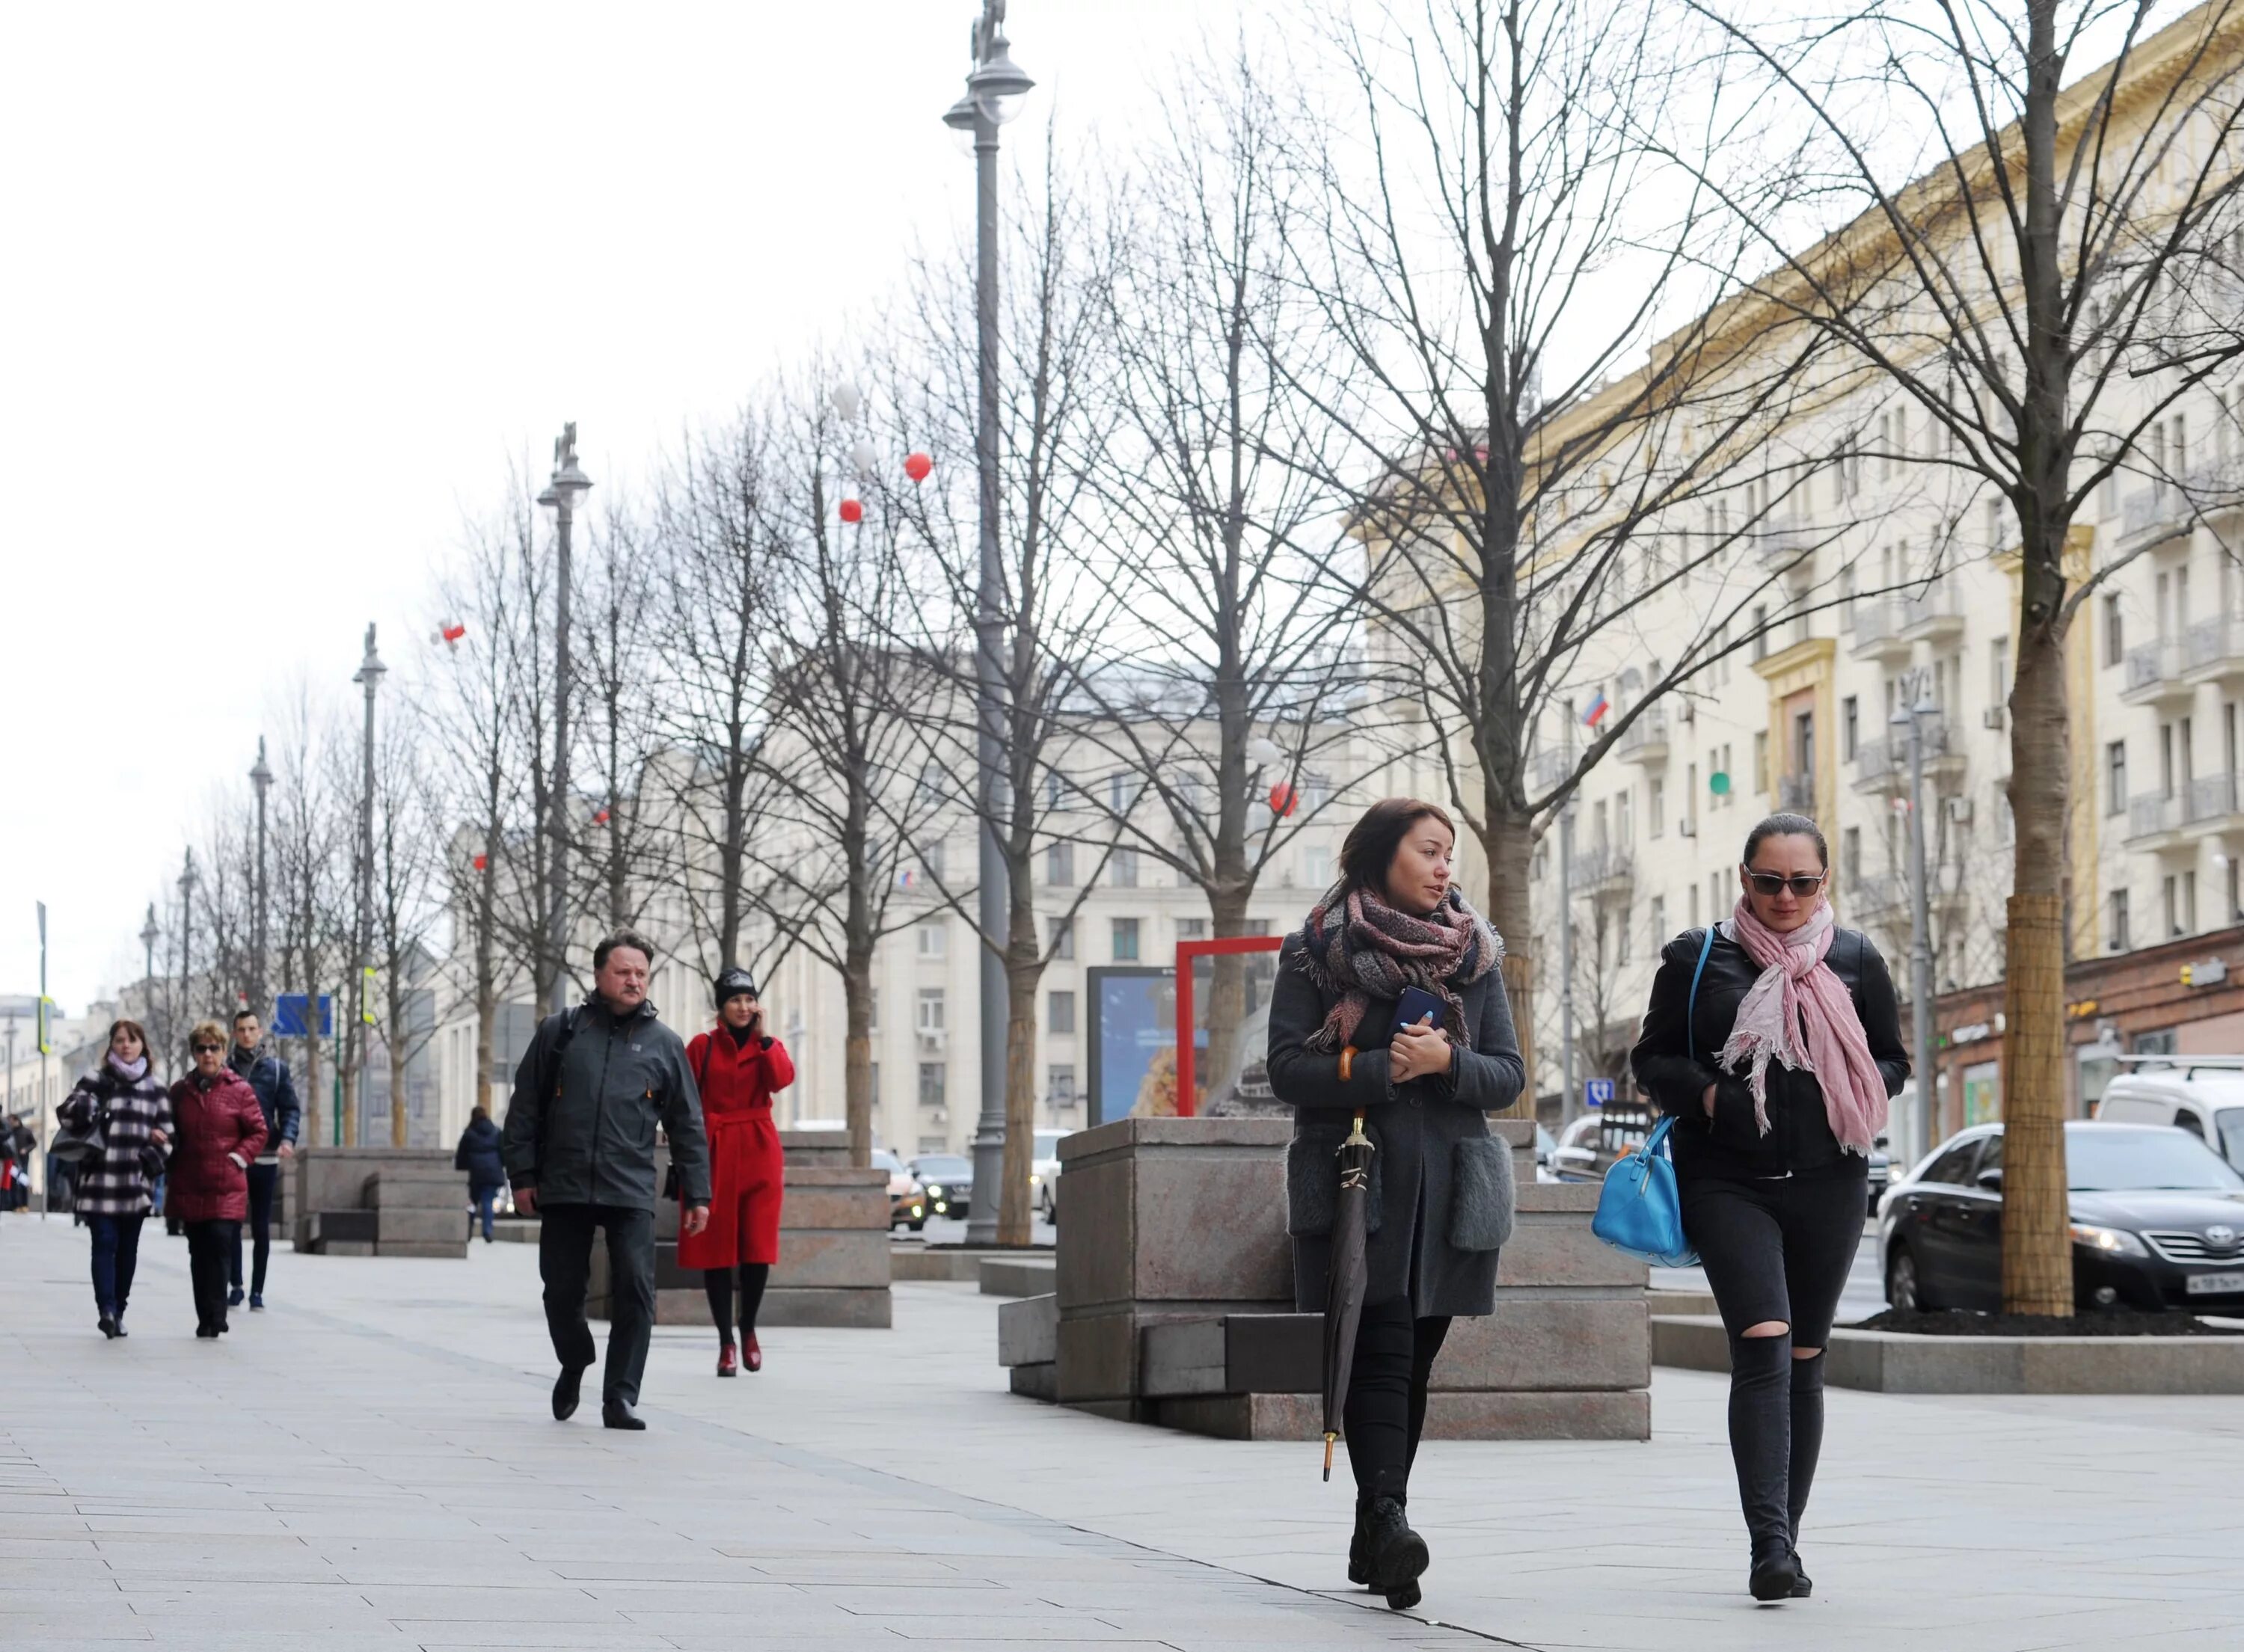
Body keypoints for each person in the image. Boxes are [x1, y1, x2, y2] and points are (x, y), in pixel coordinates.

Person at [1631, 812, 1907, 1603]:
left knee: (1806, 1359)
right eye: (1768, 880)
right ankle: (1769, 1546)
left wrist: (1855, 1089)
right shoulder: (1697, 957)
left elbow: (1892, 1055)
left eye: (1802, 882)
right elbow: (1651, 1055)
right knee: (1763, 1340)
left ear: (1825, 883)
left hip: (1831, 1179)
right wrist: (1709, 1095)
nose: (1785, 896)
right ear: (1743, 879)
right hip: (1728, 1178)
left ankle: (1789, 1534)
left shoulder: (1855, 958)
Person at [1266, 797, 1524, 1612]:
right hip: (1359, 1184)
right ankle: (1388, 1517)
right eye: (1429, 850)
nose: (1445, 867)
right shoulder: (1316, 951)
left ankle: (1375, 1528)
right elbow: (1283, 1070)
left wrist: (1449, 1060)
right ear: (1382, 856)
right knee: (1379, 1348)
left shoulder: (1475, 956)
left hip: (1450, 1193)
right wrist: (1381, 1068)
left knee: (1410, 1362)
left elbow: (1509, 1076)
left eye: (1450, 853)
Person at [502, 931, 711, 1430]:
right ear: (599, 976)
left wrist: (698, 1192)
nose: (634, 980)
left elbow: (688, 1122)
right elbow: (525, 1108)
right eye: (623, 971)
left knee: (636, 1289)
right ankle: (575, 1359)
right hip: (565, 1182)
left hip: (631, 1186)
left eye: (641, 972)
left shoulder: (665, 1044)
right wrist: (523, 1174)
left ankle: (620, 1395)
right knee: (560, 1290)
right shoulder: (561, 1031)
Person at [681, 969, 794, 1377]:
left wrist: (765, 1040)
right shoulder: (702, 1046)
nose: (744, 1007)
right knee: (716, 1250)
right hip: (715, 1148)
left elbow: (781, 1080)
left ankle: (748, 1330)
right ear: (721, 1007)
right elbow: (685, 1098)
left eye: (750, 999)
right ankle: (725, 1342)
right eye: (735, 1000)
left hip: (760, 1148)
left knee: (756, 1246)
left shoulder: (769, 1045)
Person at [57, 1020, 172, 1337]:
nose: (126, 1045)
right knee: (104, 1243)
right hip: (99, 1181)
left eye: (132, 1040)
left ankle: (119, 1309)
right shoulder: (97, 1079)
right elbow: (66, 1115)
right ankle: (105, 1309)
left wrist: (148, 1160)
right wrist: (87, 1104)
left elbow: (170, 1137)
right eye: (120, 1040)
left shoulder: (155, 1087)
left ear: (142, 1046)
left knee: (128, 1250)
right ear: (111, 1046)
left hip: (135, 1183)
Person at [167, 1021, 269, 1338]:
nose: (208, 1054)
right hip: (192, 1183)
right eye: (202, 1048)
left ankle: (218, 1313)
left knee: (221, 1245)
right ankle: (205, 1316)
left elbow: (259, 1131)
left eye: (214, 1048)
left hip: (227, 1185)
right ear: (194, 1053)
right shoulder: (180, 1092)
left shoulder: (239, 1089)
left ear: (224, 1052)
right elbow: (171, 1131)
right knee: (198, 1252)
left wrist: (238, 1158)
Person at [226, 1009, 301, 1310]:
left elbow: (291, 1108)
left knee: (260, 1226)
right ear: (234, 1033)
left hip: (266, 1156)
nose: (247, 1034)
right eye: (241, 1029)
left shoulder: (277, 1070)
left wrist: (287, 1139)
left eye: (252, 1029)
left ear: (260, 1032)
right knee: (231, 1224)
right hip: (232, 1157)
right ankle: (236, 1285)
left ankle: (257, 1290)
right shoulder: (225, 1067)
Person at [453, 1105, 506, 1242]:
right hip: (492, 1173)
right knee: (488, 1202)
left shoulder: (468, 1134)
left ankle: (468, 1231)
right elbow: (503, 1152)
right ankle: (487, 1231)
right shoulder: (496, 1132)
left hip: (474, 1174)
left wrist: (460, 1172)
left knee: (471, 1204)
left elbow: (461, 1156)